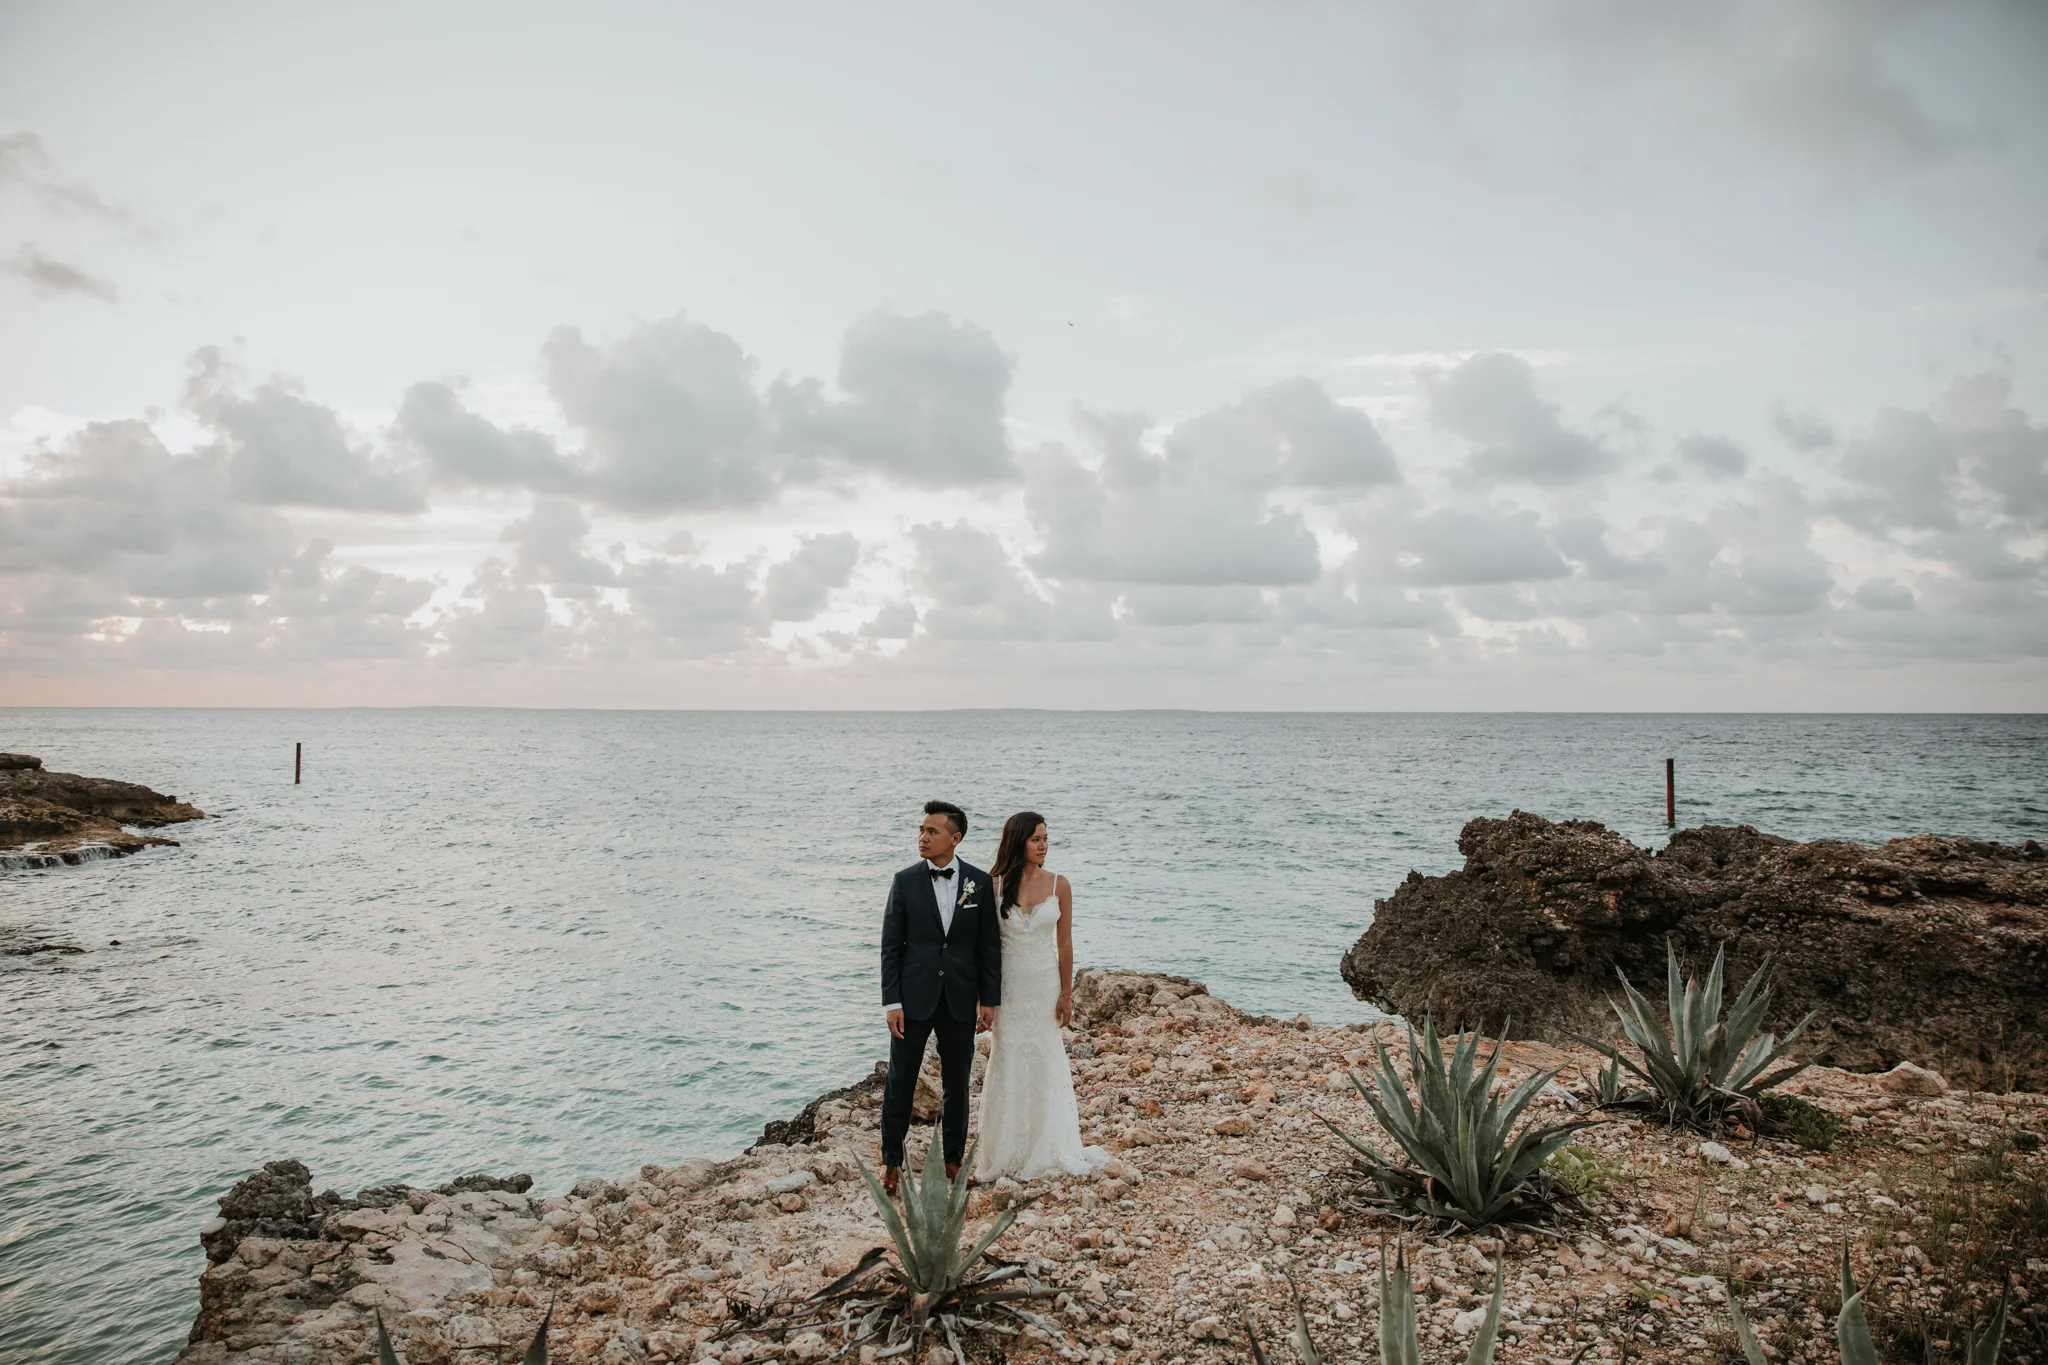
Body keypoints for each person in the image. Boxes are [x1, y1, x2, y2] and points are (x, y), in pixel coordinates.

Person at [973, 810, 1107, 1181]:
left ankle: (1049, 1146)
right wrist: (983, 999)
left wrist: (1067, 993)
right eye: (1036, 839)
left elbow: (1065, 943)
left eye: (1046, 838)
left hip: (1045, 984)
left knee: (1046, 1057)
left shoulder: (1059, 884)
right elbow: (984, 947)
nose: (1043, 845)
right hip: (1009, 988)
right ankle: (1004, 1153)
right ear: (1019, 842)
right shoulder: (994, 886)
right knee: (1009, 1059)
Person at [878, 800, 1001, 1195]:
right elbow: (890, 947)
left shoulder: (979, 883)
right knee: (901, 1080)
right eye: (921, 830)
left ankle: (952, 1160)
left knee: (957, 1084)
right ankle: (891, 1163)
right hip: (913, 999)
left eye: (932, 831)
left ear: (955, 837)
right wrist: (891, 1002)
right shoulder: (905, 881)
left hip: (960, 999)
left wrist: (989, 1000)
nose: (923, 838)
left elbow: (988, 947)